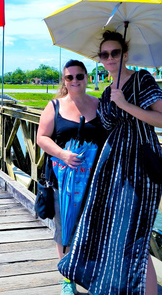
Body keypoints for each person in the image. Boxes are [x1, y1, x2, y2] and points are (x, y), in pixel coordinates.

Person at [58, 31, 162, 295]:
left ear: (125, 55)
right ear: (100, 58)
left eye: (115, 53)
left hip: (141, 169)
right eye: (105, 54)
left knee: (137, 237)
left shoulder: (142, 79)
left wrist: (125, 104)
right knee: (113, 233)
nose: (110, 58)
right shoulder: (109, 90)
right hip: (114, 170)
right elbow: (108, 126)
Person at [37, 60, 106, 295]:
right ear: (64, 81)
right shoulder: (54, 106)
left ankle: (89, 272)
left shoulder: (100, 105)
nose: (75, 81)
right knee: (63, 228)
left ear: (87, 77)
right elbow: (42, 138)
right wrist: (62, 154)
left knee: (91, 228)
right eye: (69, 77)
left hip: (93, 182)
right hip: (61, 181)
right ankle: (67, 278)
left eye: (79, 76)